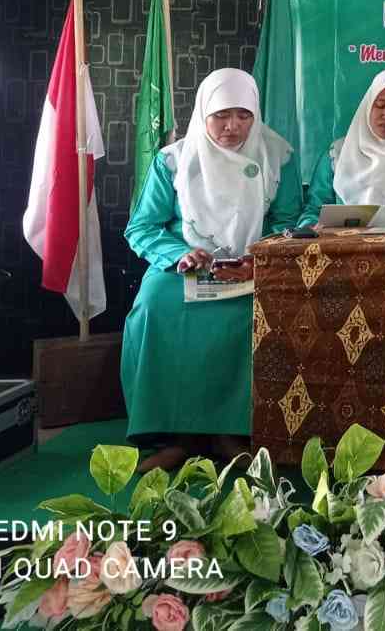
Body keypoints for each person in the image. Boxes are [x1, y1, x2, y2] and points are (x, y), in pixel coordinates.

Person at [121, 68, 299, 472]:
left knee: (257, 313)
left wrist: (259, 257)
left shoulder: (277, 155)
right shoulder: (174, 160)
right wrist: (180, 254)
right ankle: (173, 438)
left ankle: (231, 432)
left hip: (251, 267)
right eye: (221, 115)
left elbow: (287, 221)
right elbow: (142, 227)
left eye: (243, 115)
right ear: (203, 114)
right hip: (182, 267)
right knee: (154, 306)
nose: (232, 126)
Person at [298, 68, 385, 228]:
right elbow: (313, 210)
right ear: (367, 106)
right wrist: (310, 226)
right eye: (380, 105)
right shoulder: (338, 154)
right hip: (344, 249)